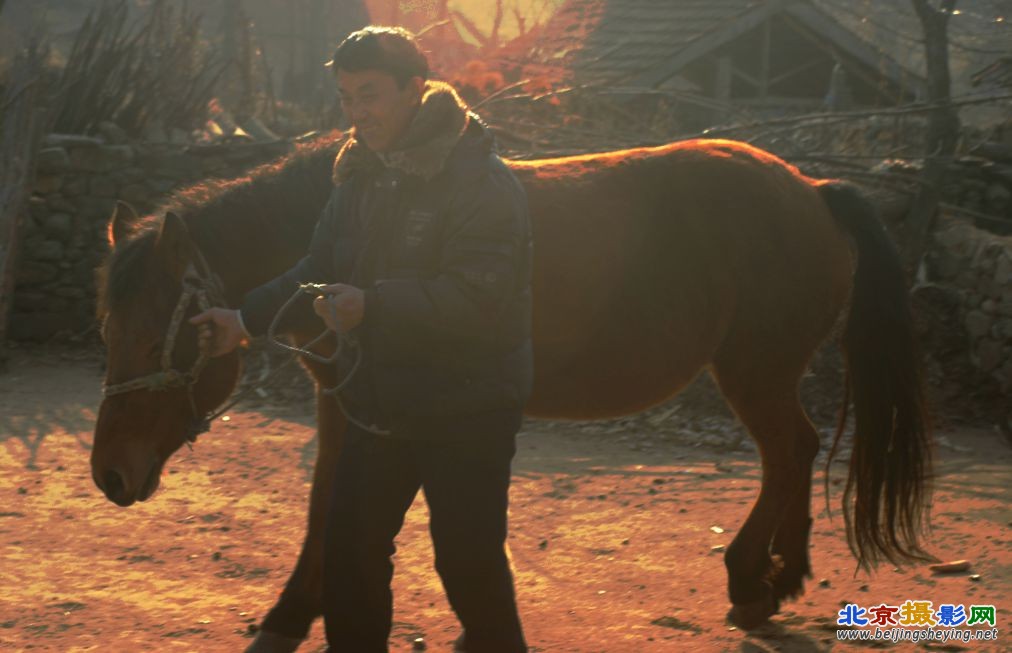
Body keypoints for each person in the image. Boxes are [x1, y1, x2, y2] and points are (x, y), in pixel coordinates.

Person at [190, 26, 532, 653]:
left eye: (369, 95)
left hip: (466, 409)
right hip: (378, 406)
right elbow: (314, 269)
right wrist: (243, 321)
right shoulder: (359, 176)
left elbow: (480, 299)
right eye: (346, 98)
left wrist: (372, 307)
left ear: (416, 89)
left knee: (468, 567)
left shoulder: (482, 184)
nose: (356, 113)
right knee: (347, 555)